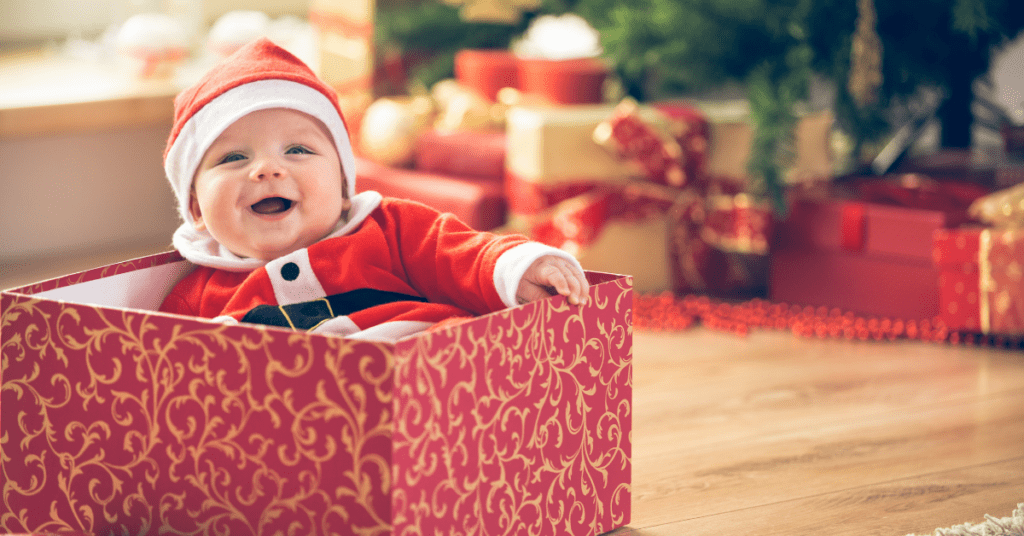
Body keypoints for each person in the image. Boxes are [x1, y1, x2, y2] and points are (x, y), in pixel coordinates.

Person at [158, 38, 588, 342]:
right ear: (195, 208)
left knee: (460, 339)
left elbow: (462, 253)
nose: (268, 170)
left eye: (298, 150)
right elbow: (170, 368)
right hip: (298, 416)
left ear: (344, 185)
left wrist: (517, 267)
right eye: (234, 158)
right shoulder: (195, 295)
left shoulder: (389, 228)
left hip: (424, 362)